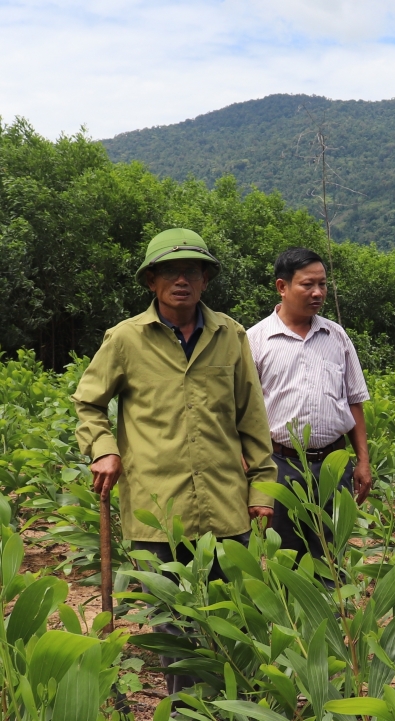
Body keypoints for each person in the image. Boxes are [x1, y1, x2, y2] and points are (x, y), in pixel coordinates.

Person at [73, 227, 277, 695]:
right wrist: (103, 448)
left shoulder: (231, 335)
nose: (181, 280)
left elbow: (253, 418)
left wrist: (263, 488)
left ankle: (229, 703)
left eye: (191, 271)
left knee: (231, 617)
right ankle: (187, 709)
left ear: (206, 279)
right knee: (173, 627)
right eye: (169, 271)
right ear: (151, 281)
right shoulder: (125, 339)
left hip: (226, 508)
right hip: (156, 510)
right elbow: (87, 403)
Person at [248, 248, 373, 562]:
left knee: (332, 552)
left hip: (334, 463)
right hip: (280, 465)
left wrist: (362, 460)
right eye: (307, 285)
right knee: (287, 554)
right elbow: (239, 411)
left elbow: (355, 401)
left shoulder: (337, 336)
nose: (318, 292)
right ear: (282, 287)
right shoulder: (256, 340)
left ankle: (332, 610)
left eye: (322, 284)